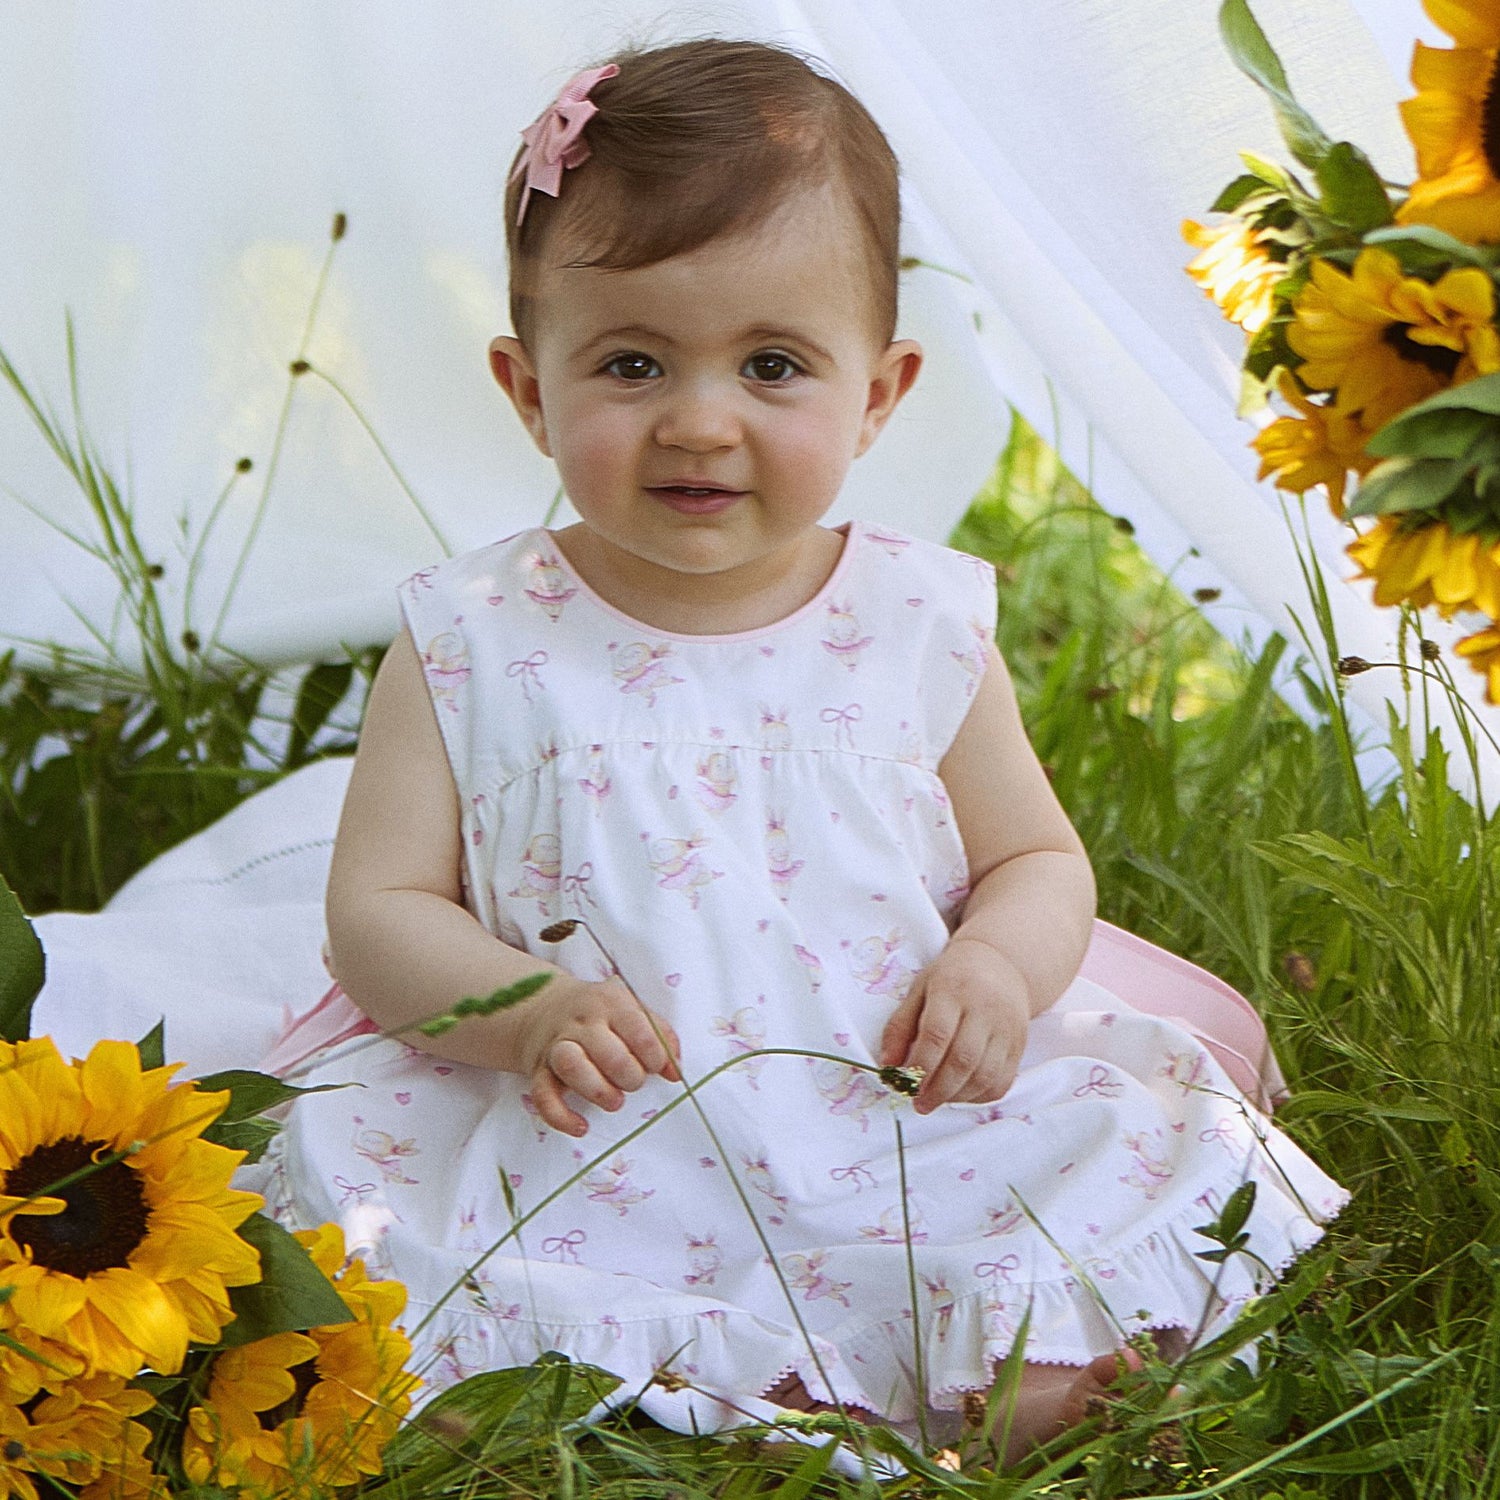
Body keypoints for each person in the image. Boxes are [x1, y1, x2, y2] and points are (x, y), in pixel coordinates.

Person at [255, 38, 1346, 1460]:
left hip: (894, 1110)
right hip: (601, 1128)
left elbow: (1033, 855)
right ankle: (664, 1393)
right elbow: (378, 912)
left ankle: (1020, 1373)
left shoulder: (912, 617)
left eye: (773, 365)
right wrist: (516, 1008)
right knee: (444, 1329)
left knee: (1054, 1266)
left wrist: (996, 965)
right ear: (529, 390)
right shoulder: (474, 634)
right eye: (632, 363)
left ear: (880, 393)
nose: (700, 420)